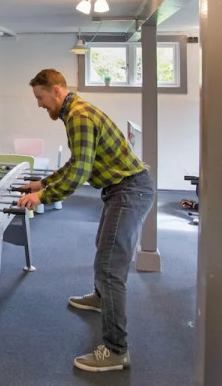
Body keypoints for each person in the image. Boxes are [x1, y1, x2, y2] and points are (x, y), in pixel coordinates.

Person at [17, 68, 155, 373]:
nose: (39, 104)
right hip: (121, 189)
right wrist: (43, 183)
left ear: (56, 90)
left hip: (129, 190)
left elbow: (80, 171)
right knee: (103, 247)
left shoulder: (78, 116)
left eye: (40, 97)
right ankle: (101, 298)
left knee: (110, 267)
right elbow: (76, 162)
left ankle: (116, 351)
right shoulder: (73, 113)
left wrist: (42, 197)